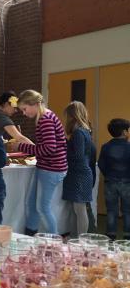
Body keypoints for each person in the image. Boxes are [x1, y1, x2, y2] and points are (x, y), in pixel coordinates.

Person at [9, 90, 67, 235]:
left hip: (51, 169)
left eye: (24, 109)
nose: (24, 113)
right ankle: (31, 234)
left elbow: (49, 148)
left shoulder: (45, 119)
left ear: (34, 104)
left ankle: (54, 241)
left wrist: (20, 146)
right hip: (46, 167)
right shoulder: (45, 117)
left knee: (43, 207)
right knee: (32, 204)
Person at [61, 101, 96, 237]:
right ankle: (74, 239)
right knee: (75, 209)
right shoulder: (85, 131)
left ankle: (81, 241)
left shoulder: (79, 132)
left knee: (79, 209)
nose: (67, 119)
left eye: (68, 116)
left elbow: (78, 155)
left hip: (79, 174)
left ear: (73, 115)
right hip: (79, 172)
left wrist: (64, 150)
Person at [98, 118, 130, 240]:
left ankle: (111, 235)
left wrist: (108, 175)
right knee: (127, 210)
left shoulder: (106, 147)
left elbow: (101, 164)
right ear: (124, 132)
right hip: (127, 183)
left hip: (110, 182)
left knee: (111, 210)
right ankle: (128, 235)